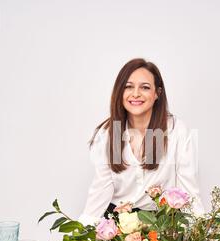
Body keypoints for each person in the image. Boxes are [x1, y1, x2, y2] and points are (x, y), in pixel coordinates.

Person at [78, 58, 205, 225]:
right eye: (128, 87)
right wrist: (78, 236)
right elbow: (100, 192)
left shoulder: (176, 131)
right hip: (117, 230)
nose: (136, 94)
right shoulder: (109, 133)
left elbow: (189, 192)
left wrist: (201, 238)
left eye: (145, 87)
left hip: (161, 227)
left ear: (157, 93)